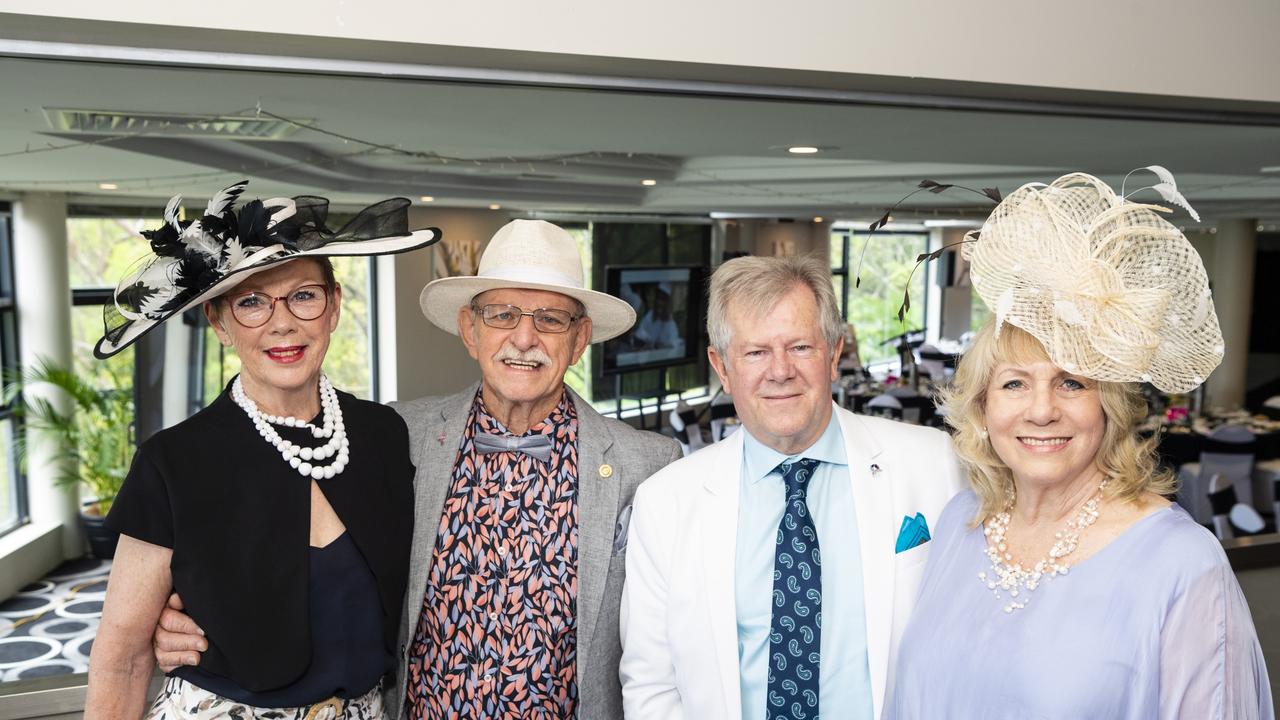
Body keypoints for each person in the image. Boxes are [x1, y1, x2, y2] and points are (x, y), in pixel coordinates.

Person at [154, 218, 683, 719]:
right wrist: (192, 615)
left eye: (550, 319)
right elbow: (307, 555)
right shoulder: (392, 437)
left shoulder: (651, 466)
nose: (525, 339)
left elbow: (689, 623)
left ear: (580, 338)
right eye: (501, 315)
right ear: (470, 330)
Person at [885, 172, 1272, 718]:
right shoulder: (961, 520)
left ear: (1109, 406)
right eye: (1014, 383)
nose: (1042, 410)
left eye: (1072, 382)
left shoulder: (1181, 563)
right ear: (982, 407)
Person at [86, 183, 439, 717]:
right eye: (251, 301)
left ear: (334, 306)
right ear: (219, 322)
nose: (282, 322)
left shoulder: (384, 435)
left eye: (303, 295)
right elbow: (124, 661)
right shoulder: (174, 463)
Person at [620, 254, 966, 720]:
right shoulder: (666, 502)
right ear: (722, 367)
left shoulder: (935, 463)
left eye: (800, 347)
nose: (780, 370)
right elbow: (651, 684)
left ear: (834, 352)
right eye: (755, 352)